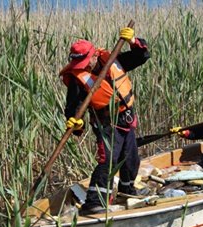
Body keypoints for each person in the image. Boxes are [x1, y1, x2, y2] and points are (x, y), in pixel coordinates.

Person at [59, 27, 150, 214]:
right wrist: (76, 123)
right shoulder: (78, 80)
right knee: (108, 160)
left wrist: (134, 42)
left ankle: (127, 191)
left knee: (130, 157)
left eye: (86, 62)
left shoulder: (113, 60)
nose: (84, 67)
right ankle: (94, 202)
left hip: (126, 118)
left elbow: (142, 56)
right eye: (80, 64)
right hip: (106, 124)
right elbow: (73, 107)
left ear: (94, 55)